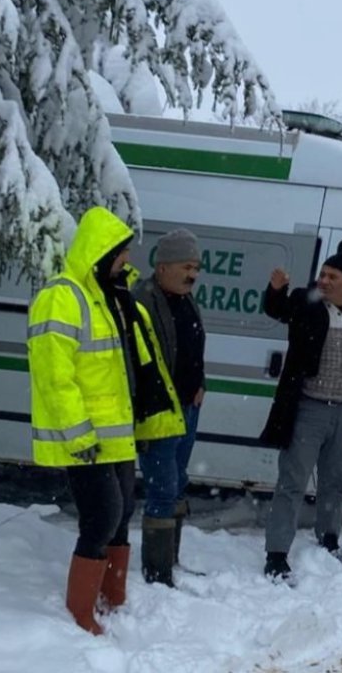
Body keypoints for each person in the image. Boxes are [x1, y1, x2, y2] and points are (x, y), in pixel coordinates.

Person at [27, 206, 185, 634]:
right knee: (101, 517)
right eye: (121, 253)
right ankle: (80, 614)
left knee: (121, 512)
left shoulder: (111, 298)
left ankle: (111, 598)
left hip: (115, 434)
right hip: (86, 435)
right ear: (101, 253)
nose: (127, 261)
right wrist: (77, 432)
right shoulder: (63, 296)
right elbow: (54, 376)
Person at [260, 253, 342, 582]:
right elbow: (276, 309)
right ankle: (276, 554)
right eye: (323, 274)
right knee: (293, 481)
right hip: (309, 408)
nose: (324, 281)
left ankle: (329, 539)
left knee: (335, 481)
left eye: (333, 276)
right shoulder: (307, 302)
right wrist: (275, 291)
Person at [133, 228, 206, 586]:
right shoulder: (142, 301)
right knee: (162, 488)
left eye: (196, 267)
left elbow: (192, 346)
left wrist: (200, 383)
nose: (193, 274)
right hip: (160, 412)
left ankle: (170, 561)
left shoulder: (187, 299)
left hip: (187, 409)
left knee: (178, 483)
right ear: (163, 266)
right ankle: (157, 573)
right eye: (186, 266)